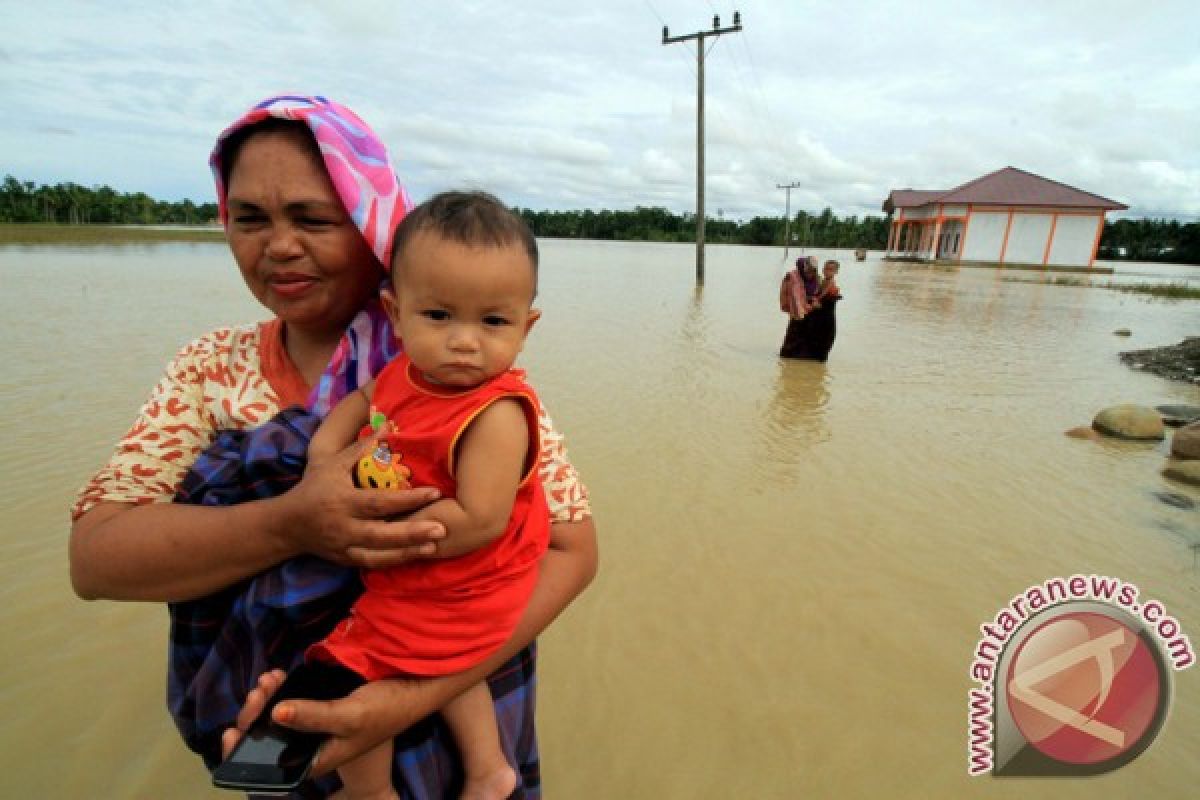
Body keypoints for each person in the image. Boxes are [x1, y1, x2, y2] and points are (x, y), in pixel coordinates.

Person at [67, 95, 597, 799]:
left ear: (374, 224)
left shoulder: (461, 372)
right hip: (277, 724)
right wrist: (294, 521)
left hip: (450, 706)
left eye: (313, 218)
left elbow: (572, 549)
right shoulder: (209, 370)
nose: (278, 245)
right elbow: (95, 559)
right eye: (249, 218)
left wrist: (404, 697)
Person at [299, 190, 550, 800]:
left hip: (469, 573)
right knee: (436, 659)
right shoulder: (403, 374)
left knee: (355, 663)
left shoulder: (496, 414)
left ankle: (371, 793)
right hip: (434, 559)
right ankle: (489, 769)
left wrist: (377, 539)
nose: (465, 341)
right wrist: (321, 458)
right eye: (438, 316)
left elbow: (480, 519)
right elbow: (360, 406)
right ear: (395, 311)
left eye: (493, 321)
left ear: (526, 325)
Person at [778, 256, 820, 357]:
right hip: (797, 310)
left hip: (811, 310)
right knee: (793, 335)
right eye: (808, 270)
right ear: (804, 266)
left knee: (807, 336)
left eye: (812, 270)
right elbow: (787, 294)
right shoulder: (792, 276)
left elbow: (818, 291)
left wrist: (814, 301)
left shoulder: (816, 277)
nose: (810, 273)